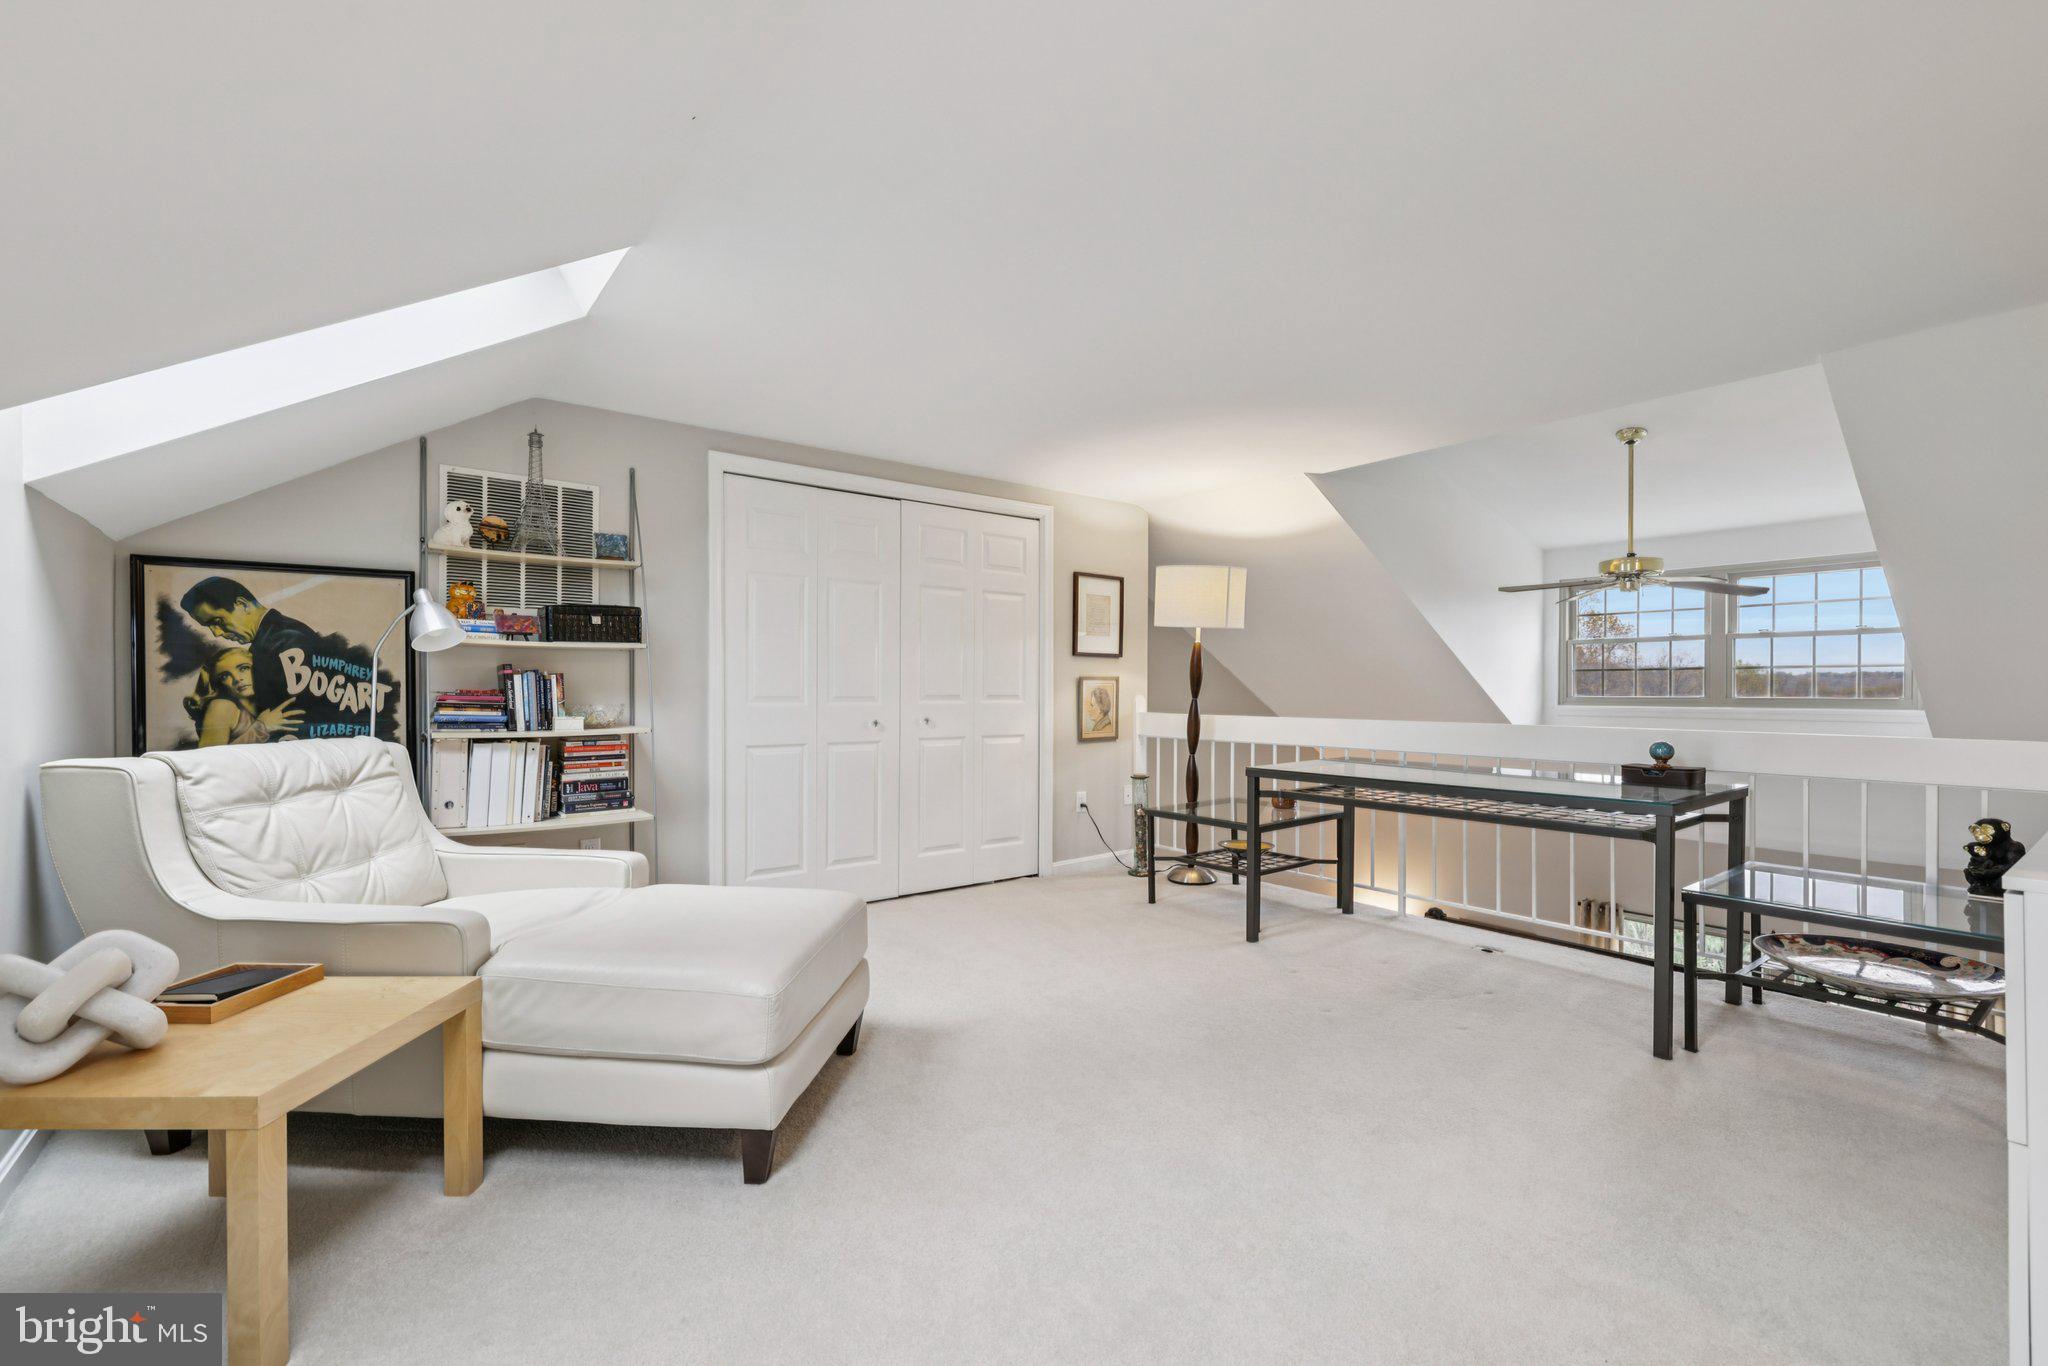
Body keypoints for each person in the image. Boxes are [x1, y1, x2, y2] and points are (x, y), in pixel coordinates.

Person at [179, 576, 397, 740]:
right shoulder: (275, 636)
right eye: (209, 627)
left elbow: (301, 717)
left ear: (242, 605)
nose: (216, 633)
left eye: (217, 621)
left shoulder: (282, 642)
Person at [188, 648, 304, 746]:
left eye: (243, 668)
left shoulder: (267, 706)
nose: (237, 679)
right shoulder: (222, 706)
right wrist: (262, 728)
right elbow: (211, 761)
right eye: (225, 676)